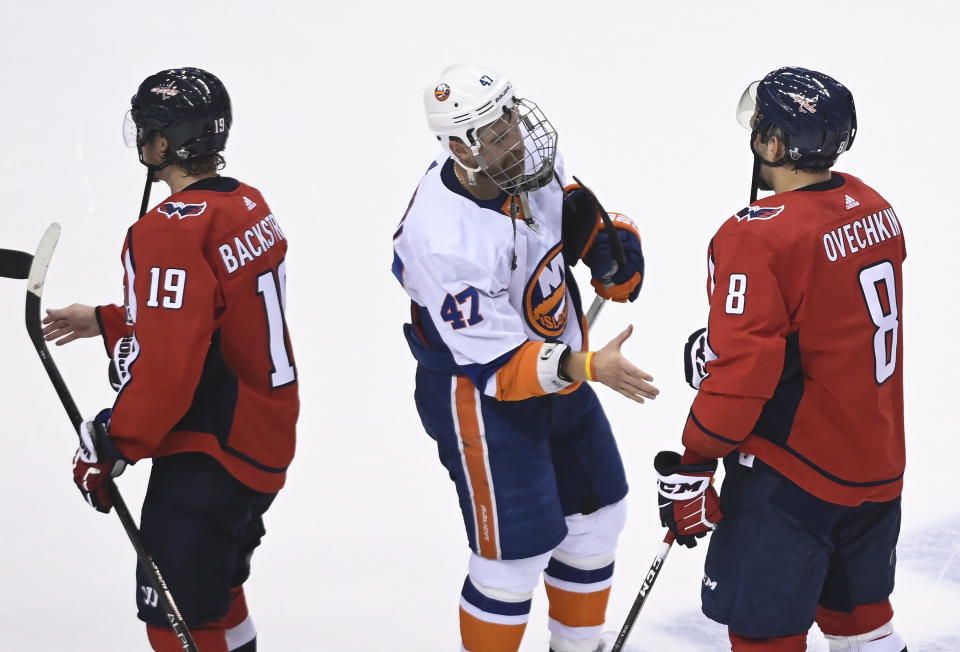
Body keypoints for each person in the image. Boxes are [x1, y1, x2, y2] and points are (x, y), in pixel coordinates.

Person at [392, 63, 658, 652]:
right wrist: (589, 368)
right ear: (459, 146)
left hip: (557, 372)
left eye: (511, 115)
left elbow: (573, 214)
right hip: (478, 396)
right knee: (512, 562)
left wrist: (614, 251)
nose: (515, 134)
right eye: (495, 129)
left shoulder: (524, 163)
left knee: (597, 519)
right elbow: (501, 369)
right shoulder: (442, 239)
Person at [42, 67, 299, 652]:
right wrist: (111, 319)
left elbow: (168, 368)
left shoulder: (167, 231)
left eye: (147, 130)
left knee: (176, 620)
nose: (141, 141)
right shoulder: (247, 204)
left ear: (164, 143)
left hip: (211, 450)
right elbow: (210, 315)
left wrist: (114, 442)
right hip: (261, 434)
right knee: (218, 598)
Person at [655, 67, 907, 651]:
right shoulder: (875, 209)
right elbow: (827, 324)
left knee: (765, 637)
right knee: (864, 626)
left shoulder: (758, 236)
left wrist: (695, 461)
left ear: (773, 143)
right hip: (876, 464)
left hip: (792, 476)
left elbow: (745, 373)